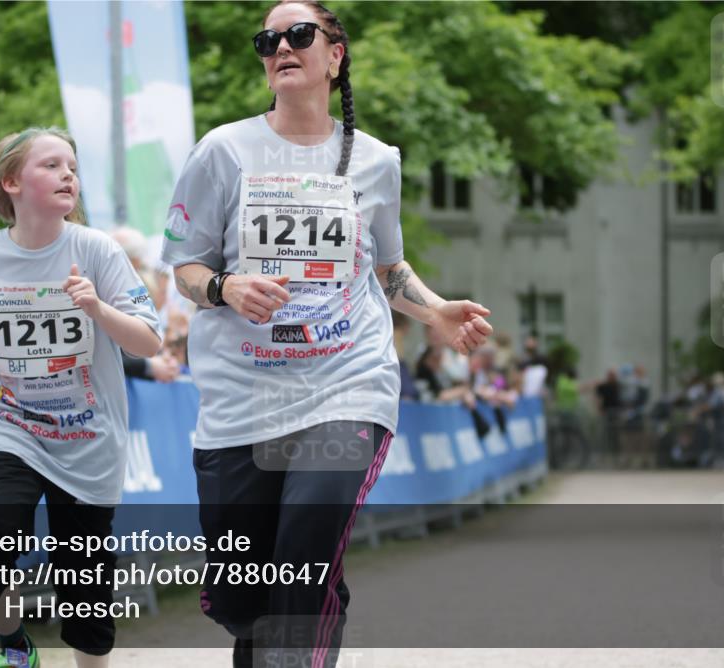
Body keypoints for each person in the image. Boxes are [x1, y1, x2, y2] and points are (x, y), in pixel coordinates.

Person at [161, 3, 492, 665]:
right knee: (242, 596)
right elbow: (186, 267)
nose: (282, 46)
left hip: (346, 381)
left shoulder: (376, 161)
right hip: (242, 397)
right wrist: (226, 288)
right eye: (268, 39)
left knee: (308, 545)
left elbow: (388, 265)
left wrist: (434, 311)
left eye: (299, 34)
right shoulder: (224, 151)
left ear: (334, 56)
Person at [0, 127, 162, 668]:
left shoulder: (96, 250)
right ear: (12, 182)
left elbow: (149, 339)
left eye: (72, 165)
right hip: (9, 425)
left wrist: (97, 309)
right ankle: (15, 644)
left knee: (86, 586)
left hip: (87, 437)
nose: (69, 174)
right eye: (52, 165)